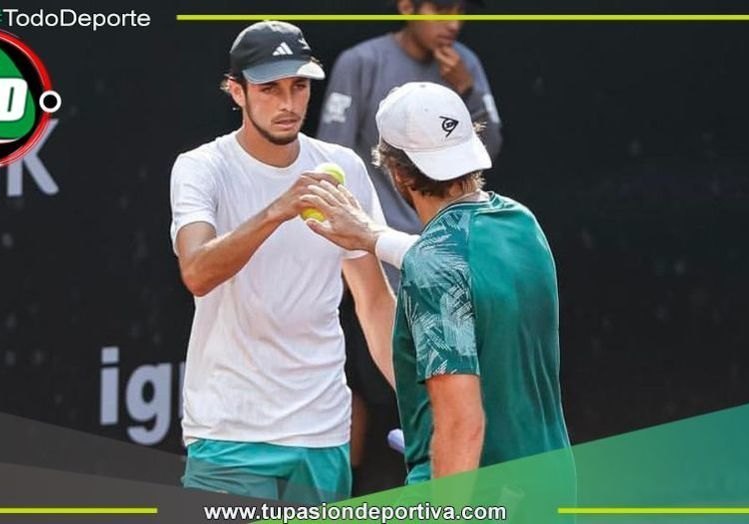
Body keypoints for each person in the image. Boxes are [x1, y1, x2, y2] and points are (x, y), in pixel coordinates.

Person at [169, 21, 395, 504]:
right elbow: (197, 272)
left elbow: (374, 301)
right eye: (269, 89)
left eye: (299, 86)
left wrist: (424, 403)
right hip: (230, 434)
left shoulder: (344, 167)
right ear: (236, 91)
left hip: (321, 434)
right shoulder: (200, 168)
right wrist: (278, 209)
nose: (288, 103)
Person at [301, 82, 571, 485]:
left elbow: (462, 424)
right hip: (551, 484)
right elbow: (456, 260)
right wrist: (373, 236)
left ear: (396, 171)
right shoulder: (520, 223)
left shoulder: (433, 269)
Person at [316, 0, 503, 490]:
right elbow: (330, 155)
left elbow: (491, 145)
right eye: (441, 8)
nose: (453, 23)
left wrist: (467, 91)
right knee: (360, 385)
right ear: (407, 7)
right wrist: (357, 244)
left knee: (445, 392)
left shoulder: (466, 64)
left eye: (460, 10)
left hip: (441, 265)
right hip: (373, 261)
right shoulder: (362, 62)